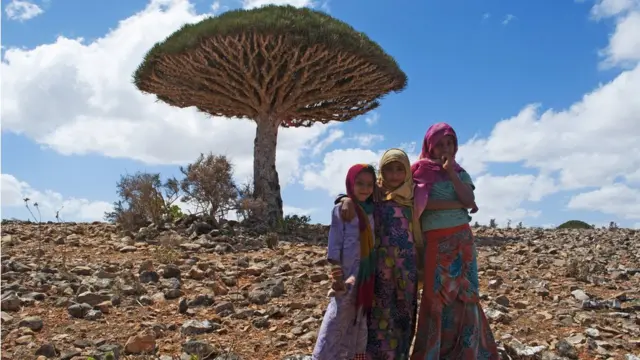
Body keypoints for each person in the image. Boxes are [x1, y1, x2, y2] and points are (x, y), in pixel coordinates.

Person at [410, 122, 498, 360]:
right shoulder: (417, 171)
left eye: (449, 143)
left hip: (462, 240)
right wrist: (459, 204)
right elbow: (421, 206)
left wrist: (450, 174)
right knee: (436, 295)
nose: (445, 148)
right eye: (439, 144)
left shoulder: (460, 172)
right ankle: (433, 352)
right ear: (430, 146)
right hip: (436, 242)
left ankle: (467, 350)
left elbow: (469, 198)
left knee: (465, 294)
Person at [334, 149, 421, 360]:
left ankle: (399, 356)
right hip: (380, 267)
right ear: (381, 171)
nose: (394, 175)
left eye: (400, 169)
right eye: (388, 169)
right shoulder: (376, 194)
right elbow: (356, 196)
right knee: (379, 311)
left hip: (407, 268)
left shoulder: (415, 195)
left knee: (403, 312)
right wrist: (344, 199)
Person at [312, 164, 377, 360]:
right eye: (359, 183)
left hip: (365, 273)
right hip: (347, 273)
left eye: (369, 184)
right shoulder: (342, 210)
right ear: (350, 183)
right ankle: (322, 356)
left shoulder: (372, 210)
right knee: (337, 315)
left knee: (359, 317)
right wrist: (336, 275)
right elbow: (334, 244)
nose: (365, 188)